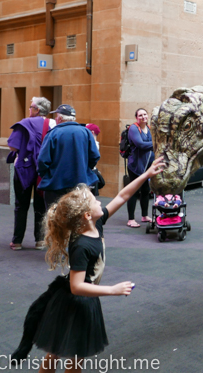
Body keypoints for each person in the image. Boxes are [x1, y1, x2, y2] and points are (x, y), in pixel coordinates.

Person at [10, 157, 166, 372]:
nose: (100, 202)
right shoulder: (82, 245)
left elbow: (123, 195)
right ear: (86, 215)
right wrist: (112, 290)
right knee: (67, 352)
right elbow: (76, 286)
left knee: (65, 351)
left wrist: (146, 175)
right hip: (75, 301)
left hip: (81, 299)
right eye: (95, 201)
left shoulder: (96, 224)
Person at [7, 97, 54, 250]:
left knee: (21, 205)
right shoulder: (52, 124)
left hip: (24, 169)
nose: (29, 109)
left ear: (37, 109)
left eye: (30, 106)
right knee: (41, 206)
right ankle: (40, 240)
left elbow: (12, 147)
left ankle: (17, 241)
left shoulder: (24, 123)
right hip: (43, 170)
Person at [37, 105, 100, 211]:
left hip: (56, 185)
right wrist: (84, 170)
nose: (56, 119)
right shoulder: (86, 132)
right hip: (80, 184)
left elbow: (42, 161)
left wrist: (48, 176)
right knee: (77, 218)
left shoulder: (53, 133)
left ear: (60, 118)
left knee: (55, 219)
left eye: (57, 117)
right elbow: (95, 156)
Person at [126, 108, 155, 227]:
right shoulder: (133, 128)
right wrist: (156, 143)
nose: (143, 117)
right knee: (133, 192)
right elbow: (140, 144)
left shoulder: (148, 128)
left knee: (145, 191)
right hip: (135, 166)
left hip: (147, 166)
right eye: (140, 115)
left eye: (145, 114)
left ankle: (144, 216)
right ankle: (131, 219)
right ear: (136, 118)